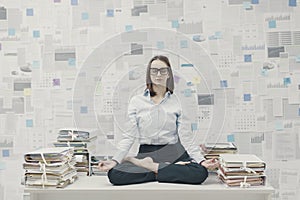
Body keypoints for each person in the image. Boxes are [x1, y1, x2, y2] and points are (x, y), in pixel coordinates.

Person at [98, 55, 218, 185]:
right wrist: (115, 161)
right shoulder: (136, 101)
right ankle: (165, 171)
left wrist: (201, 161)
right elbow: (128, 136)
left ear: (169, 74)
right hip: (146, 153)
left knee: (200, 173)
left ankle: (150, 167)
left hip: (174, 153)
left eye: (163, 70)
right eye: (154, 70)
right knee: (115, 174)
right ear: (149, 74)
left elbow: (186, 138)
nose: (158, 74)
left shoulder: (178, 102)